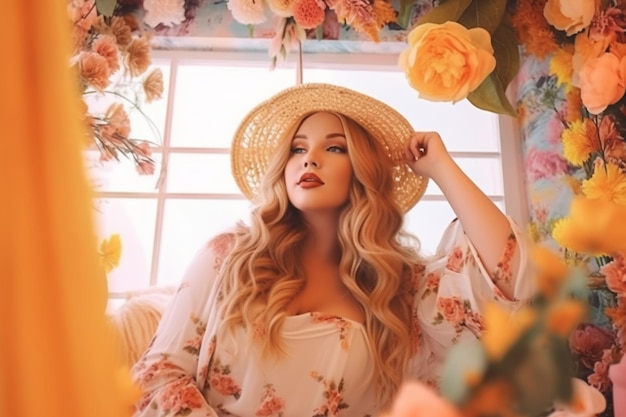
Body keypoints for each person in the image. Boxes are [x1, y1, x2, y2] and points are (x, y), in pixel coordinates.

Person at [131, 83, 533, 416]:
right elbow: (157, 377)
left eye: (335, 148)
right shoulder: (228, 259)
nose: (310, 161)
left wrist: (443, 168)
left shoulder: (399, 289)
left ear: (362, 170)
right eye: (298, 149)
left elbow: (506, 275)